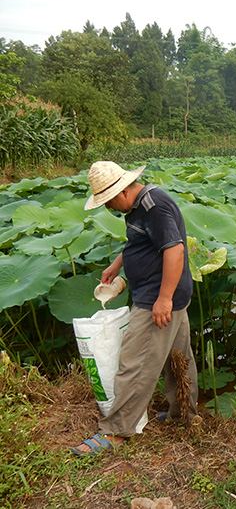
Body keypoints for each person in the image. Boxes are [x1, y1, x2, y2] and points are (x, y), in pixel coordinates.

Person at [72, 161, 199, 455]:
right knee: (178, 357)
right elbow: (139, 243)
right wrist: (117, 265)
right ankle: (184, 415)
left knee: (135, 361)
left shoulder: (155, 207)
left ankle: (117, 431)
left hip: (158, 296)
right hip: (166, 293)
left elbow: (175, 250)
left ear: (123, 190)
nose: (109, 208)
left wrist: (164, 299)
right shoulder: (137, 208)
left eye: (109, 200)